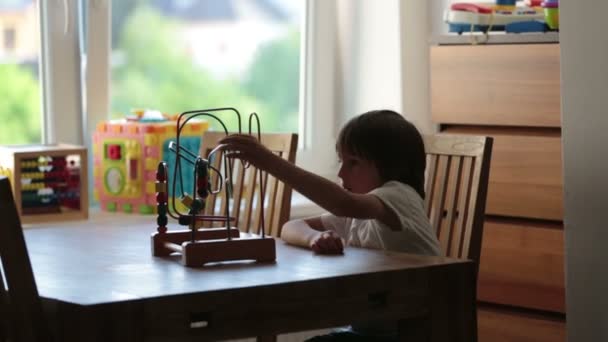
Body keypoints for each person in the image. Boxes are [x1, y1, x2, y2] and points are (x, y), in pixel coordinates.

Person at [220, 109, 441, 341]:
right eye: (341, 161)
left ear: (391, 166)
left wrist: (271, 163)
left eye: (353, 163)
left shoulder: (399, 196)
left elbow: (342, 203)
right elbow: (291, 226)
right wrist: (313, 238)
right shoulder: (360, 212)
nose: (341, 173)